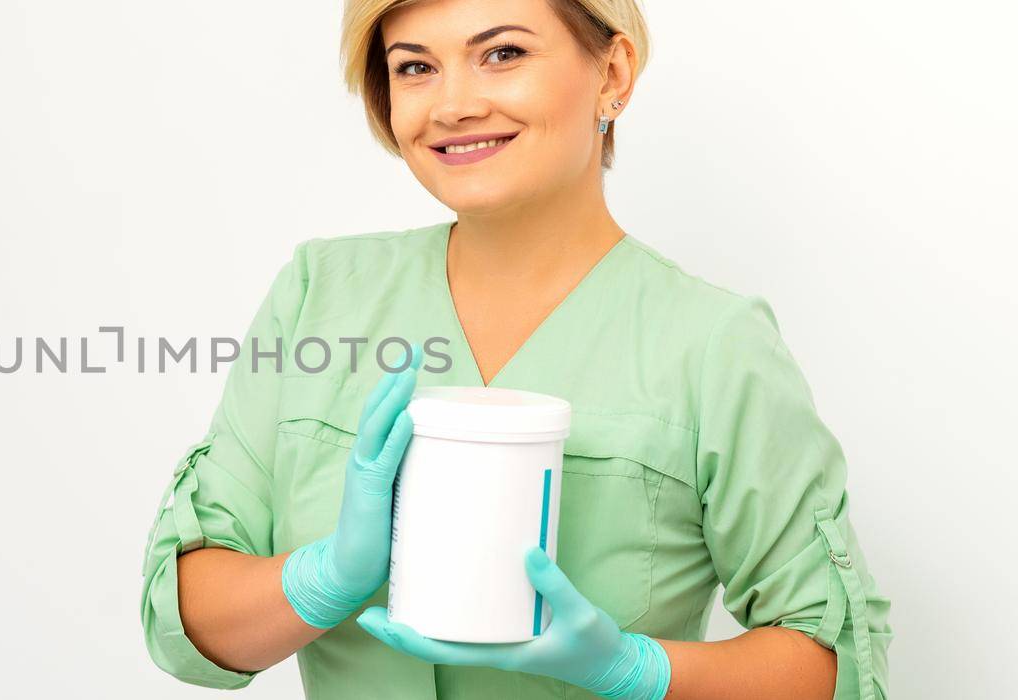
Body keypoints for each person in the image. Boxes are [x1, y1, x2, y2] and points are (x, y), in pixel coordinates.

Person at [138, 0, 892, 697]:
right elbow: (184, 621)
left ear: (614, 71)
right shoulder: (319, 295)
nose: (454, 103)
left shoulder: (713, 347)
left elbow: (836, 665)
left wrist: (638, 669)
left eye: (501, 53)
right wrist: (323, 577)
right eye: (415, 66)